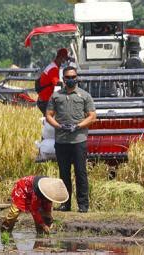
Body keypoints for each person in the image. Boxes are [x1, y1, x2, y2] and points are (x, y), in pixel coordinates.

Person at [46, 66, 96, 213]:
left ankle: (83, 205)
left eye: (73, 77)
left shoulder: (84, 96)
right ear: (63, 79)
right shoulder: (56, 96)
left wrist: (78, 126)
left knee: (80, 173)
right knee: (64, 174)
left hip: (78, 140)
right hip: (61, 141)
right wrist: (59, 126)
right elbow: (49, 114)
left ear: (77, 78)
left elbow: (92, 116)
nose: (71, 79)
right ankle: (65, 204)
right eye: (68, 77)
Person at [0, 176, 69, 235]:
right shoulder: (39, 190)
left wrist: (49, 217)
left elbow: (47, 207)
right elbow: (34, 210)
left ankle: (41, 234)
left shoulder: (50, 190)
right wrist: (43, 224)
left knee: (44, 215)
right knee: (14, 212)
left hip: (37, 193)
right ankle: (5, 230)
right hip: (23, 188)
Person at [37, 48, 70, 116]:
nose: (65, 61)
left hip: (44, 99)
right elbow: (57, 84)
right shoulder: (53, 69)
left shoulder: (53, 66)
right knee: (54, 120)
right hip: (45, 100)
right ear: (61, 58)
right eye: (65, 59)